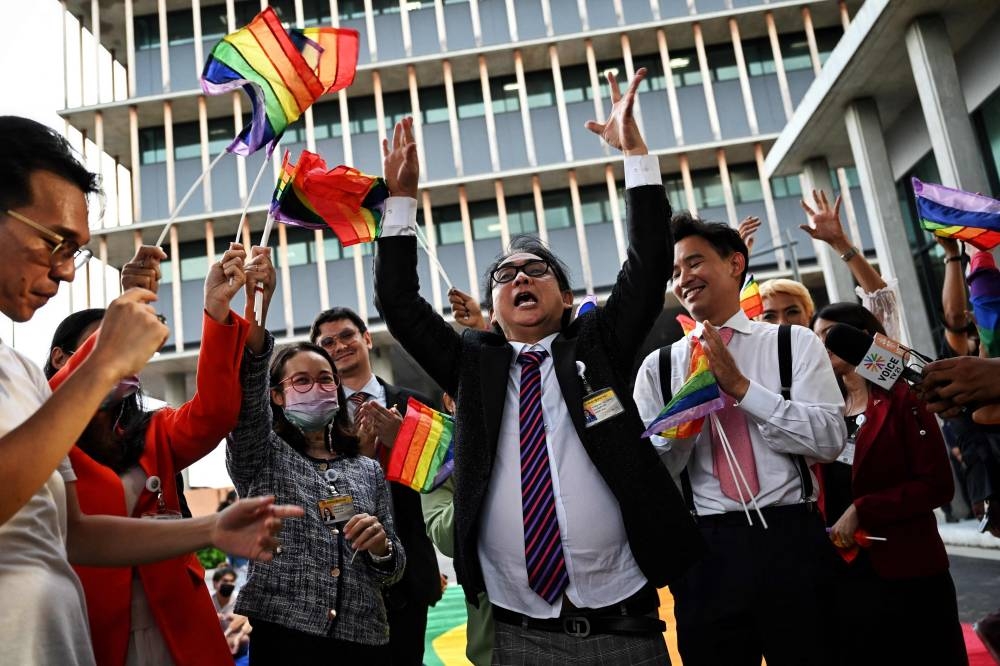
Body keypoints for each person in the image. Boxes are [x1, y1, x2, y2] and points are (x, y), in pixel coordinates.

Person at [375, 68, 702, 664]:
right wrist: (400, 203)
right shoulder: (470, 363)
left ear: (564, 293)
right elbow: (399, 303)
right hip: (518, 634)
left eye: (536, 270)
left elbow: (650, 267)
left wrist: (635, 157)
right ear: (495, 312)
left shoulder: (598, 344)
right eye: (505, 275)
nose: (520, 276)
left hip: (625, 625)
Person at [633, 214, 846, 666]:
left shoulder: (795, 344)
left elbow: (829, 438)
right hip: (707, 550)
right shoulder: (660, 367)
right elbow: (651, 475)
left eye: (694, 263)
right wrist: (683, 426)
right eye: (674, 273)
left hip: (793, 539)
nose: (684, 279)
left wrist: (743, 390)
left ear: (735, 265)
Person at [45, 241, 254, 666]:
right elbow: (51, 408)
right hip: (92, 627)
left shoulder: (152, 430)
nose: (129, 360)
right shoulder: (41, 428)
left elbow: (214, 414)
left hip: (179, 624)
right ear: (62, 358)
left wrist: (215, 311)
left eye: (133, 350)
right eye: (113, 346)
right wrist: (119, 316)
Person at [227, 248, 405, 663]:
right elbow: (246, 398)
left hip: (364, 641)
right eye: (301, 381)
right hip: (286, 638)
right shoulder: (263, 456)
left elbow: (393, 567)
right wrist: (259, 305)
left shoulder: (365, 469)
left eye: (325, 380)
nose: (316, 388)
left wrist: (382, 548)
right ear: (276, 394)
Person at [811, 302, 967, 666]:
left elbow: (937, 486)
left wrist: (863, 509)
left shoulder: (905, 398)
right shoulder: (819, 408)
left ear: (864, 340)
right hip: (844, 576)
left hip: (909, 572)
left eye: (834, 335)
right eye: (818, 338)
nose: (825, 345)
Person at [309, 305, 443, 666]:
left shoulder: (417, 404)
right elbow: (315, 500)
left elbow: (440, 482)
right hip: (341, 573)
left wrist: (403, 441)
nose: (340, 346)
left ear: (367, 338)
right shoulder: (312, 420)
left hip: (410, 574)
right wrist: (361, 462)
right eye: (328, 342)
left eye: (348, 335)